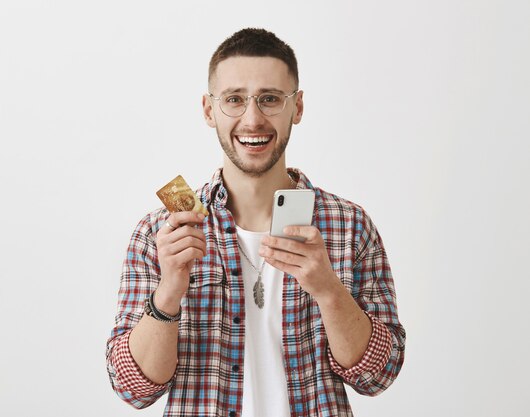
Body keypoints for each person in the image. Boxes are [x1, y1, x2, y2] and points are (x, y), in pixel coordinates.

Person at [106, 28, 406, 417]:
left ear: (297, 108)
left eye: (269, 99)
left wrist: (330, 292)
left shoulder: (349, 226)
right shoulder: (162, 232)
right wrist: (168, 292)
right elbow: (133, 389)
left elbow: (378, 376)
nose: (252, 119)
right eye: (234, 99)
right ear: (208, 109)